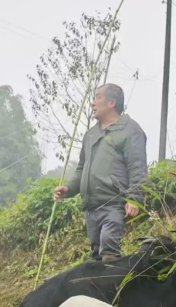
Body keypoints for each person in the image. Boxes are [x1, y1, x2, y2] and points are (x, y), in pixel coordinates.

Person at [53, 83, 147, 261]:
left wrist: (135, 198)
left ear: (112, 102)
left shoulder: (130, 130)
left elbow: (137, 167)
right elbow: (82, 167)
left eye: (98, 97)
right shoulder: (90, 134)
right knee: (96, 255)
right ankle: (99, 287)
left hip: (114, 203)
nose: (92, 103)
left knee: (108, 247)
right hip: (91, 207)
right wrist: (70, 189)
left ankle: (112, 287)